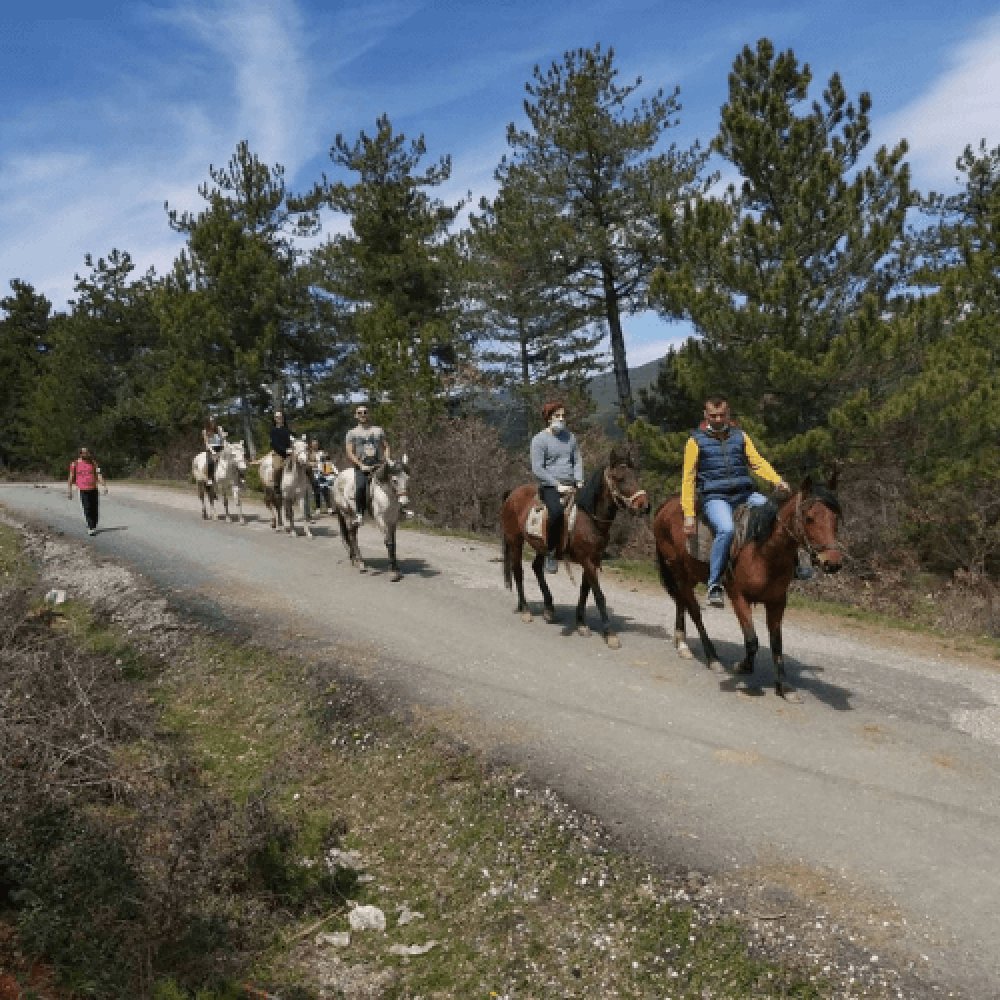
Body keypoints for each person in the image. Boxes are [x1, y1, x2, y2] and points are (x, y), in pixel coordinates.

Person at [681, 394, 789, 608]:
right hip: (716, 497)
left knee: (779, 516)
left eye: (722, 415)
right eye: (713, 415)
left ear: (728, 414)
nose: (718, 419)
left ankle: (799, 564)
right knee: (727, 529)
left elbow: (757, 462)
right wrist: (689, 514)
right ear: (706, 415)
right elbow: (688, 478)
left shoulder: (740, 436)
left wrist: (777, 481)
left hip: (744, 494)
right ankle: (714, 585)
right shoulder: (695, 441)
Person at [530, 400, 584, 574]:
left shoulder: (570, 437)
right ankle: (551, 552)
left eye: (563, 416)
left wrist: (579, 479)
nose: (561, 419)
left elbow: (577, 460)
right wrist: (557, 485)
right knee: (556, 512)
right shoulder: (539, 440)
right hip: (550, 486)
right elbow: (538, 468)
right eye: (557, 416)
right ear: (548, 418)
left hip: (572, 484)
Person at [345, 404, 391, 527]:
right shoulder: (352, 433)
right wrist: (360, 465)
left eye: (365, 412)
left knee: (394, 481)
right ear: (356, 416)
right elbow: (349, 452)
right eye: (360, 413)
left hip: (378, 465)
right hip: (362, 466)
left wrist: (387, 459)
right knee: (360, 487)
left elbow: (386, 446)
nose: (363, 415)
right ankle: (360, 513)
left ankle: (400, 508)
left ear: (369, 414)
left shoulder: (378, 430)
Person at [67, 446, 108, 536]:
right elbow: (71, 477)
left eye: (88, 452)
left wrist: (104, 485)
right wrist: (69, 490)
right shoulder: (75, 464)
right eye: (85, 453)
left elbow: (98, 475)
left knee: (95, 509)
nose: (87, 454)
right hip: (83, 489)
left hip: (93, 488)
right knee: (87, 508)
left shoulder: (93, 463)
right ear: (80, 454)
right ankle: (90, 527)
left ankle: (93, 524)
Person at [269, 410, 294, 492]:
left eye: (280, 416)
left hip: (290, 453)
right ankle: (276, 485)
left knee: (303, 464)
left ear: (283, 418)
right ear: (274, 419)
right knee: (278, 468)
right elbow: (275, 444)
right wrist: (285, 450)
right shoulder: (273, 430)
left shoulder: (287, 429)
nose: (278, 418)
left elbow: (293, 439)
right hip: (278, 454)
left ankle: (313, 487)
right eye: (276, 417)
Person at [201, 416, 226, 484]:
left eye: (213, 421)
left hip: (220, 447)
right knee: (210, 462)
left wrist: (224, 443)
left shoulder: (219, 429)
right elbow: (206, 442)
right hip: (210, 448)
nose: (213, 422)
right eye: (211, 421)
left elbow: (222, 438)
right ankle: (209, 477)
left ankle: (239, 477)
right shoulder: (205, 431)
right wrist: (212, 451)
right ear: (208, 422)